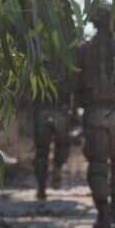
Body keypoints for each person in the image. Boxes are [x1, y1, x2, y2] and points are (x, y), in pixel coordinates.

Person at [75, 0, 115, 228]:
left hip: (95, 112)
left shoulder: (83, 50)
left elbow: (76, 85)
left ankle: (103, 215)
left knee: (97, 164)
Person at [33, 59, 74, 201]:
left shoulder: (38, 65)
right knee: (63, 145)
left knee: (41, 152)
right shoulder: (65, 65)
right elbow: (72, 89)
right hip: (60, 111)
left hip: (43, 112)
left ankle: (41, 188)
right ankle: (57, 168)